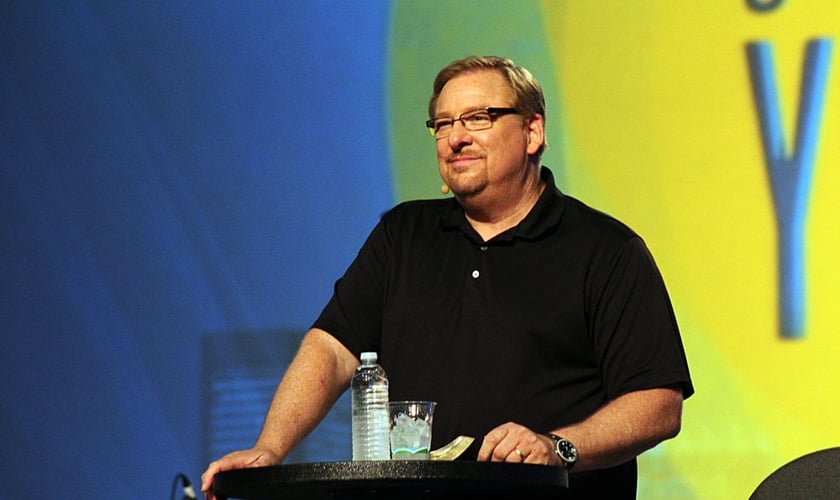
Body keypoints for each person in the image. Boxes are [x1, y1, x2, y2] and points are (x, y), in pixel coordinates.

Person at [201, 55, 693, 499]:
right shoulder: (403, 235)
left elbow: (658, 404)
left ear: (533, 132)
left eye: (479, 118)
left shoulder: (605, 250)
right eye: (442, 124)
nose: (456, 137)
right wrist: (270, 448)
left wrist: (556, 446)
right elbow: (331, 349)